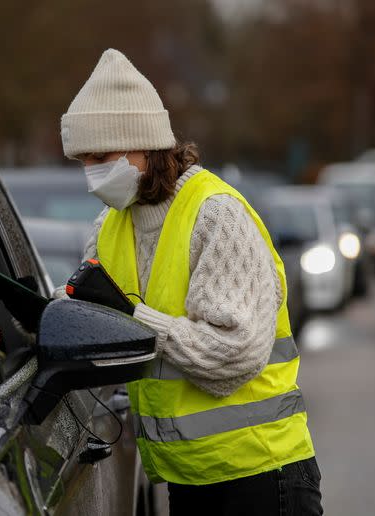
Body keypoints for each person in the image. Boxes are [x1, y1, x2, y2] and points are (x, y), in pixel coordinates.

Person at [58, 49, 322, 515]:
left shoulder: (215, 215)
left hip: (261, 475)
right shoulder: (108, 227)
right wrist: (37, 318)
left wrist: (133, 319)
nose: (91, 174)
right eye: (83, 160)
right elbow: (91, 319)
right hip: (185, 479)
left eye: (100, 157)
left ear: (145, 146)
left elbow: (234, 354)